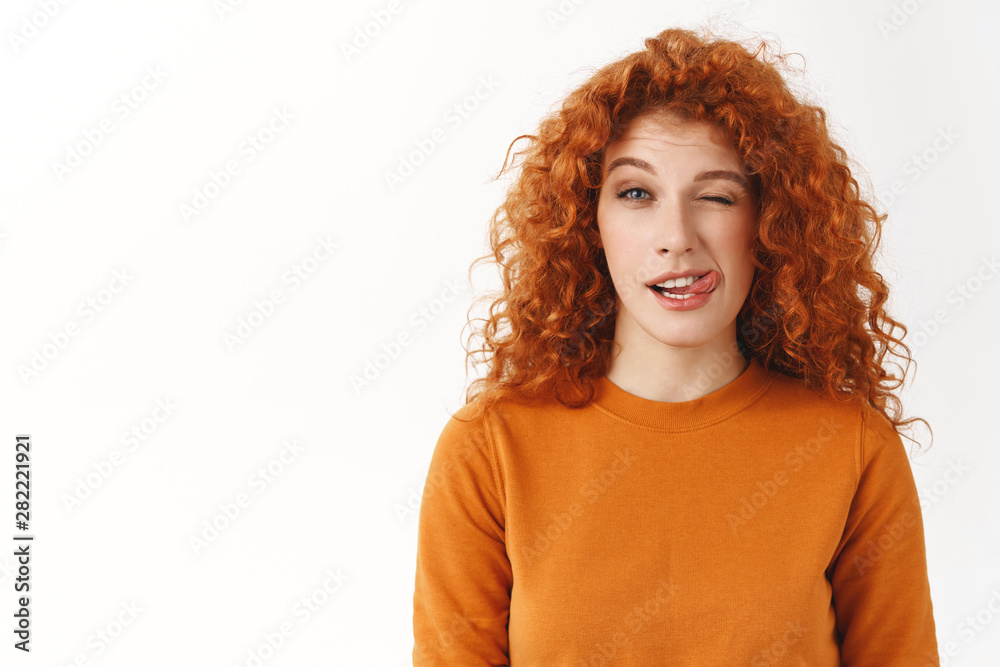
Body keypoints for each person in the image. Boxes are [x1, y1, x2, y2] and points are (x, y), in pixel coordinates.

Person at [412, 25, 939, 666]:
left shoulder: (851, 448)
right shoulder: (490, 447)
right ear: (589, 220)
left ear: (769, 223)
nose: (675, 236)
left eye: (715, 196)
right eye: (637, 193)